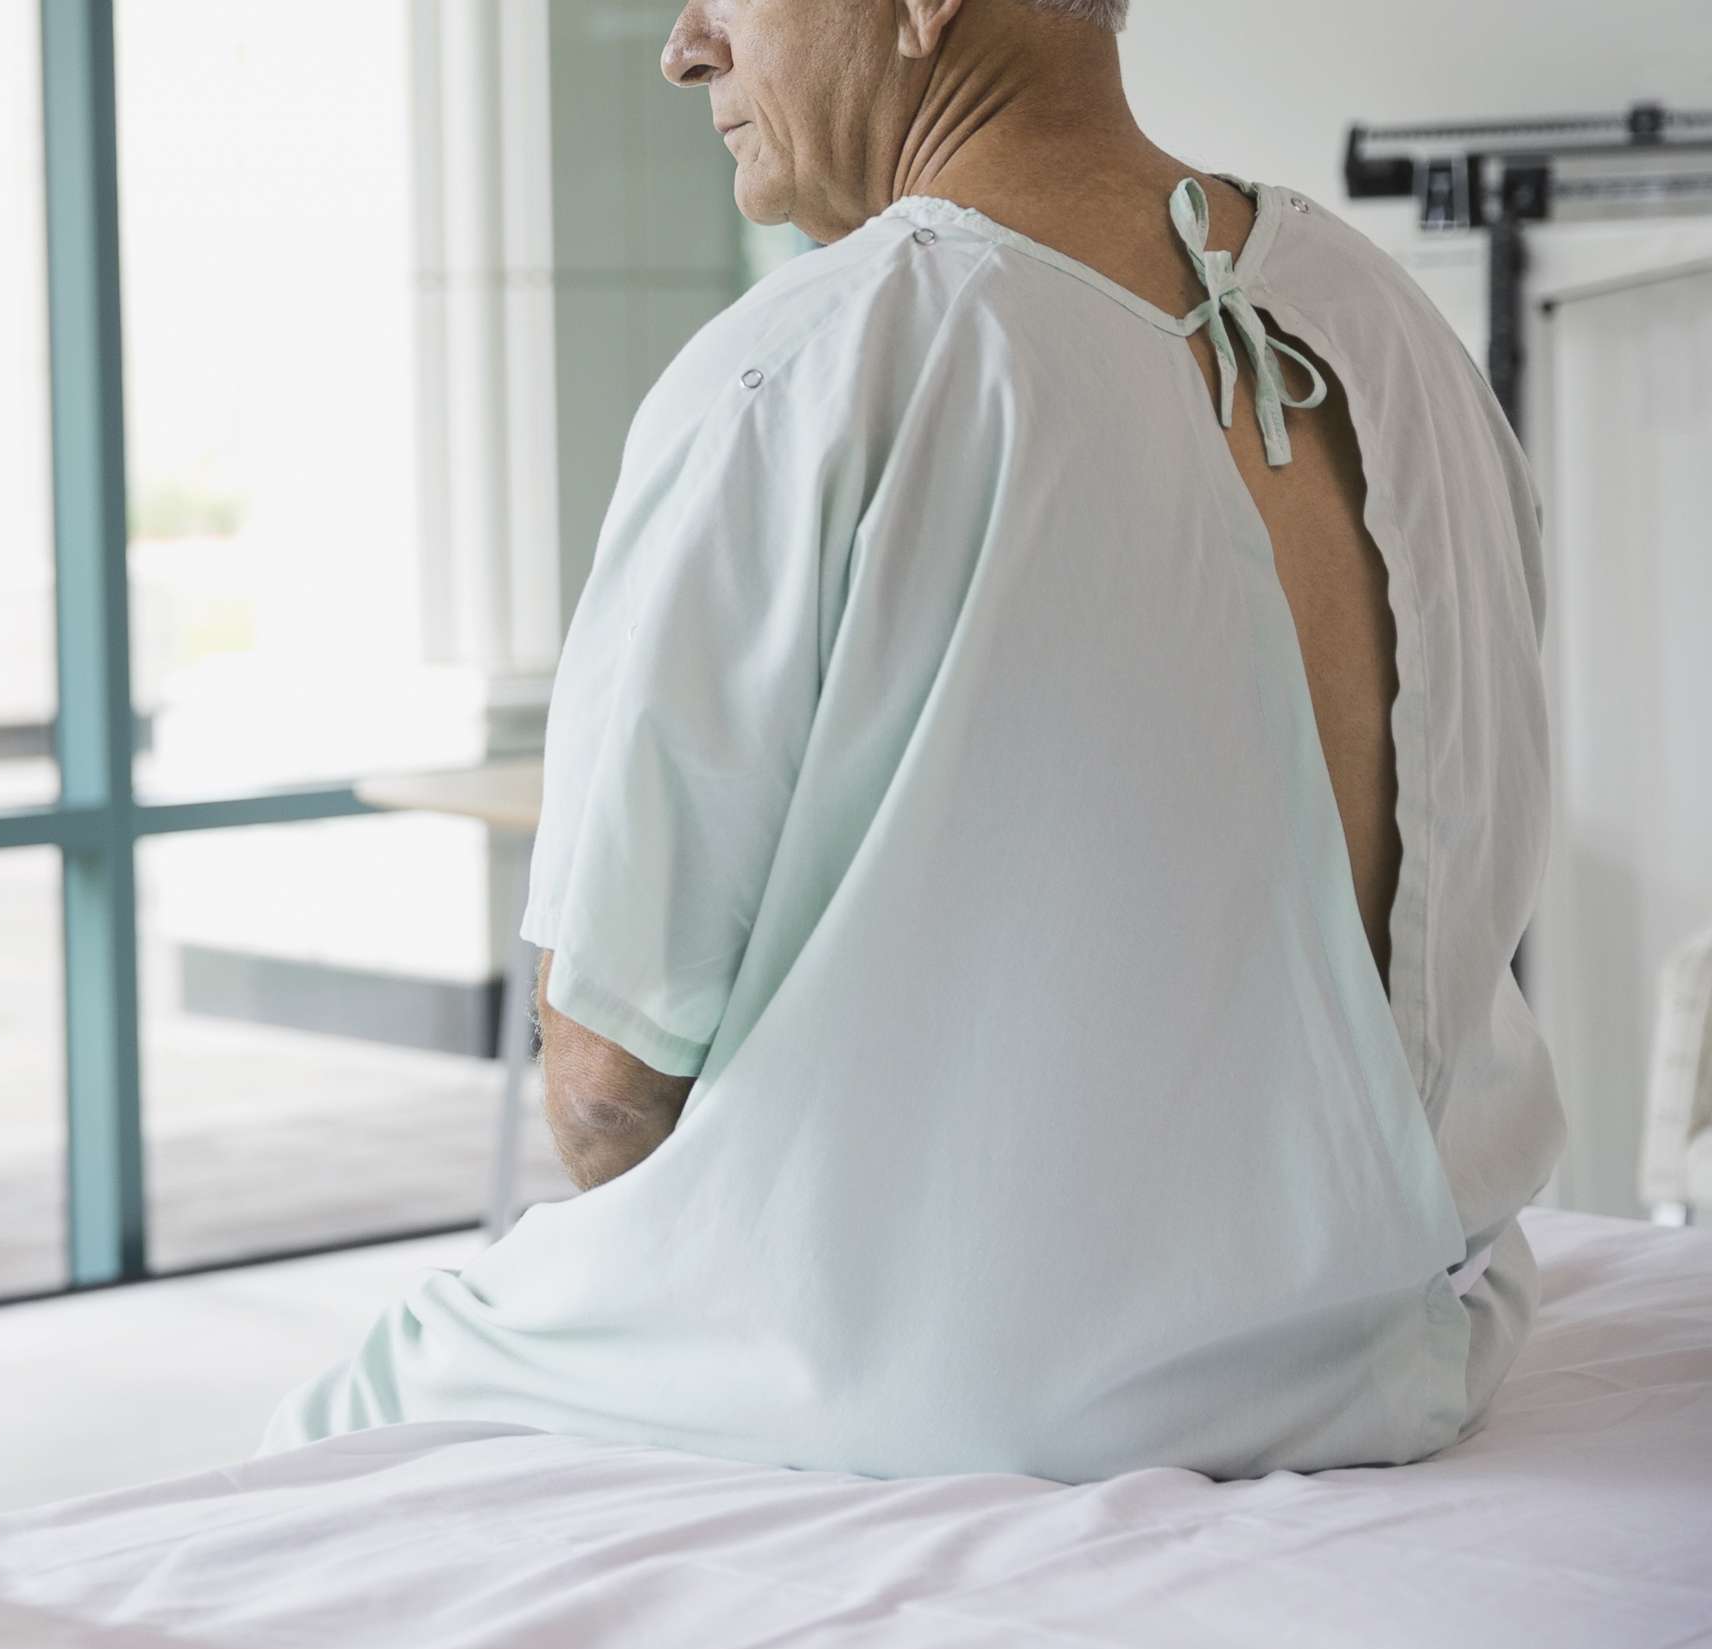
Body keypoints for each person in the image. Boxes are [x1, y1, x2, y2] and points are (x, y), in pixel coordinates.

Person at [266, 0, 1561, 1482]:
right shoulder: (1400, 333)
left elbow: (608, 1089)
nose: (685, 45)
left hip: (980, 1398)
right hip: (1404, 1340)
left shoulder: (812, 366)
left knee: (338, 1429)